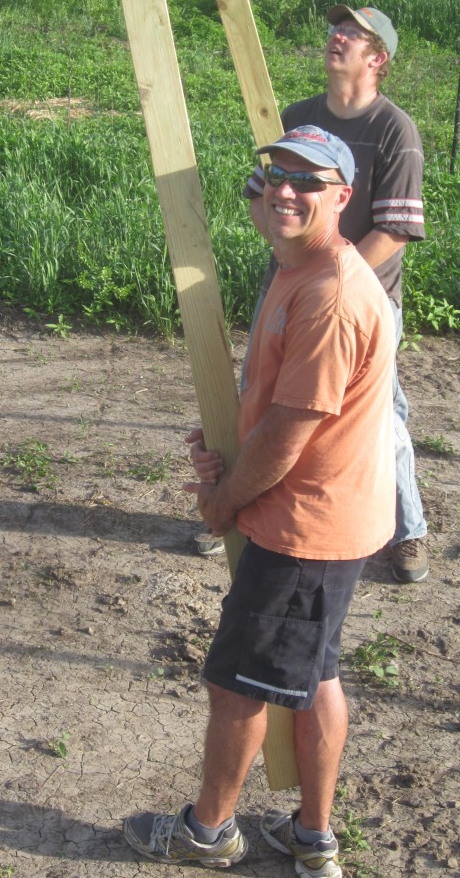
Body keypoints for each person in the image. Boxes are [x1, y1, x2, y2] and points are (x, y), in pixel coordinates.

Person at [124, 126, 396, 877]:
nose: (283, 190)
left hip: (306, 524)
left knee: (238, 681)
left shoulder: (331, 292)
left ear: (341, 198)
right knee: (313, 676)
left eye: (307, 182)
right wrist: (231, 434)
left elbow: (290, 433)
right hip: (326, 513)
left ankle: (208, 834)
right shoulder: (297, 267)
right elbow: (278, 409)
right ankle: (311, 840)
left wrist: (221, 501)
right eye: (273, 175)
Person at [196, 5, 428, 584]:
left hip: (363, 300)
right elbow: (261, 192)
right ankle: (236, 504)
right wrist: (288, 256)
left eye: (353, 33)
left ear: (378, 59)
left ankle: (408, 531)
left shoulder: (393, 128)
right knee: (260, 395)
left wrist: (328, 273)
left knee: (381, 420)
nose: (336, 36)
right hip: (288, 288)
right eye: (334, 28)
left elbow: (395, 230)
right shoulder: (298, 118)